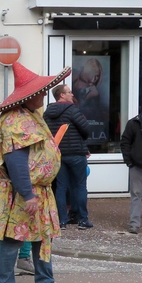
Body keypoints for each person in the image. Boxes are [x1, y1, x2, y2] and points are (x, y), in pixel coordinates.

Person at [0, 62, 77, 283]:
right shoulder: (16, 120)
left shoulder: (30, 114)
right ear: (30, 95)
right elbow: (15, 160)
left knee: (43, 238)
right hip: (22, 192)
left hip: (38, 192)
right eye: (41, 92)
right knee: (13, 239)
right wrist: (27, 194)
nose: (44, 95)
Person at [44, 84, 92, 230]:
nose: (72, 95)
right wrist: (82, 141)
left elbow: (45, 133)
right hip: (76, 154)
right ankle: (82, 220)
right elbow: (86, 129)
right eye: (69, 92)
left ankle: (61, 221)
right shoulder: (72, 110)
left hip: (58, 154)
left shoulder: (47, 112)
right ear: (62, 95)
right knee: (80, 186)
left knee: (60, 187)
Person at [121, 94, 142, 234]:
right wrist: (129, 162)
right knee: (136, 195)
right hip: (138, 166)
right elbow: (125, 142)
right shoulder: (134, 123)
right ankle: (134, 224)